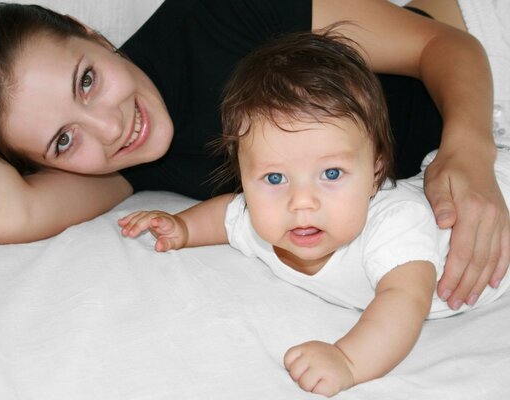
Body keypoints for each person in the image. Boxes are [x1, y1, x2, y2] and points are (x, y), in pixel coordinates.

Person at [0, 0, 508, 310]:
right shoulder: (129, 162)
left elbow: (441, 43)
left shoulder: (222, 13)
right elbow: (0, 218)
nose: (111, 126)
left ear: (92, 35)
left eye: (86, 80)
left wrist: (469, 150)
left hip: (485, 52)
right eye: (63, 140)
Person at [117, 30, 510, 396]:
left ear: (376, 170)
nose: (301, 202)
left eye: (332, 173)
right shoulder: (261, 219)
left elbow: (404, 301)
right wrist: (181, 227)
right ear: (244, 177)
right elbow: (225, 215)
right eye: (274, 178)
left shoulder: (396, 224)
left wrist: (347, 359)